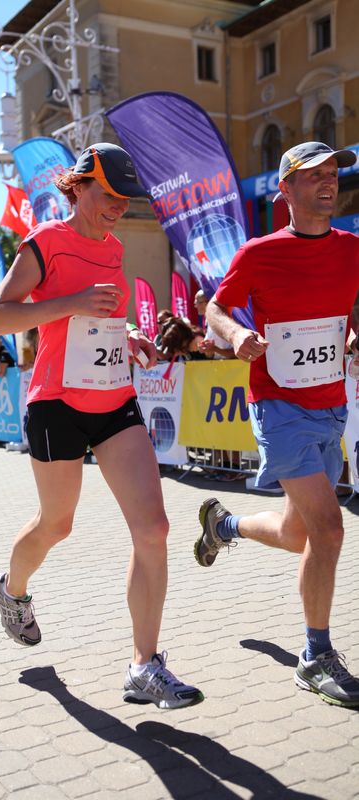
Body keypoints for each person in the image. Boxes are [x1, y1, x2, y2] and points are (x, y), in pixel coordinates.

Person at [0, 142, 204, 710]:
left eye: (125, 198)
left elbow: (99, 319)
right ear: (78, 186)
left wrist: (127, 336)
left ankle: (144, 667)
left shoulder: (114, 248)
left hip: (113, 399)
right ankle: (11, 590)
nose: (118, 207)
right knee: (56, 525)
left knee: (154, 528)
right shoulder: (45, 242)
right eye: (108, 194)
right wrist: (74, 301)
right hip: (56, 403)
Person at [194, 141, 359, 708]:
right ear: (285, 189)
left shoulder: (352, 249)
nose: (328, 182)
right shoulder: (259, 253)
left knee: (298, 535)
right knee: (329, 529)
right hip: (279, 405)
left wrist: (353, 333)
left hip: (331, 406)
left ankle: (225, 527)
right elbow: (216, 308)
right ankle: (316, 656)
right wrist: (236, 333)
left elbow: (350, 310)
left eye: (333, 173)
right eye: (314, 175)